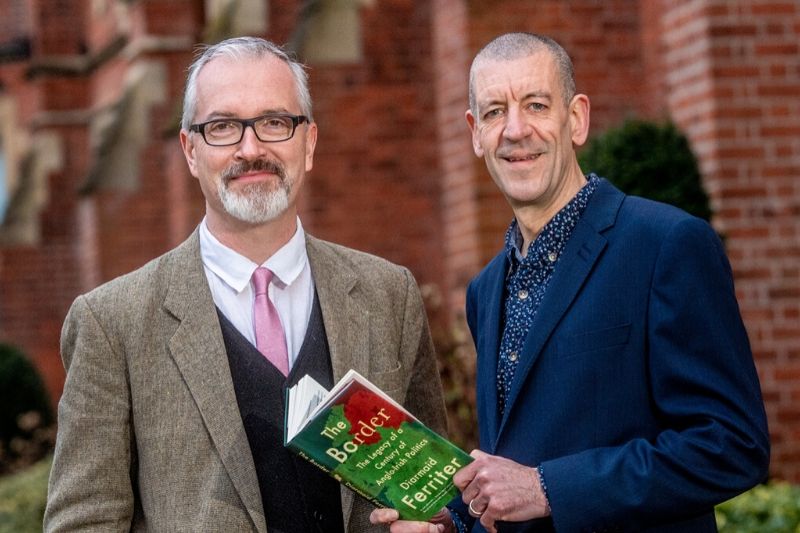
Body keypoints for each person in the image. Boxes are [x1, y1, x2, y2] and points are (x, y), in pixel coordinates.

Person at [44, 36, 448, 533]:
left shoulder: (391, 295)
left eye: (275, 122)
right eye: (223, 127)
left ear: (310, 142)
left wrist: (440, 524)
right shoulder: (112, 323)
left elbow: (434, 496)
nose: (251, 148)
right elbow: (83, 522)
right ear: (190, 151)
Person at [371, 32, 769, 533]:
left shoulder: (665, 245)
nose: (515, 130)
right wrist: (457, 523)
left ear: (576, 118)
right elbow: (514, 470)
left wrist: (547, 489)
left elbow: (732, 445)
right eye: (495, 112)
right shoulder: (486, 291)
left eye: (536, 105)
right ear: (475, 133)